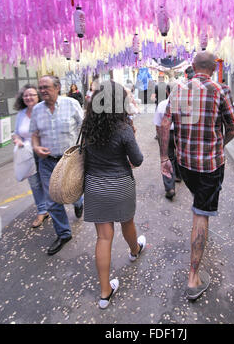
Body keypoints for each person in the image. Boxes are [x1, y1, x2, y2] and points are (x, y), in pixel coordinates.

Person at [159, 51, 234, 301]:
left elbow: (164, 124)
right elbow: (232, 128)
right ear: (214, 68)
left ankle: (199, 233)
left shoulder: (179, 88)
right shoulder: (221, 90)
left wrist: (164, 158)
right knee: (201, 214)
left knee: (198, 203)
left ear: (192, 66)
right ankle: (193, 279)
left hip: (185, 163)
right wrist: (218, 145)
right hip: (210, 166)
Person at [82, 80, 145, 309]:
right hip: (120, 185)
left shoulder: (87, 127)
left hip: (95, 185)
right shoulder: (124, 129)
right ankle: (134, 250)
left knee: (104, 237)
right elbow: (137, 160)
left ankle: (104, 293)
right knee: (127, 223)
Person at [30, 75, 84, 256]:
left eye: (46, 87)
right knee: (51, 201)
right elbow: (34, 134)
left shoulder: (71, 104)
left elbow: (84, 127)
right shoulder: (37, 110)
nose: (42, 90)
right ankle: (64, 234)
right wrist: (36, 147)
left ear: (57, 87)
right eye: (41, 87)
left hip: (69, 161)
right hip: (47, 162)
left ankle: (79, 202)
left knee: (72, 191)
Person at [12, 85, 49, 228]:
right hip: (27, 153)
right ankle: (42, 210)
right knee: (34, 184)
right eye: (25, 95)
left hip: (45, 151)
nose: (28, 98)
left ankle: (67, 204)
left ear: (38, 96)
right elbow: (16, 132)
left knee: (51, 182)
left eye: (32, 95)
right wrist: (17, 139)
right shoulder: (21, 114)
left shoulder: (45, 111)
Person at [153, 84, 181, 200]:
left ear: (167, 92)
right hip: (180, 134)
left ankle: (170, 187)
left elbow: (158, 124)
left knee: (167, 157)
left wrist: (160, 139)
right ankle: (179, 176)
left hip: (166, 133)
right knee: (179, 155)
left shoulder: (161, 104)